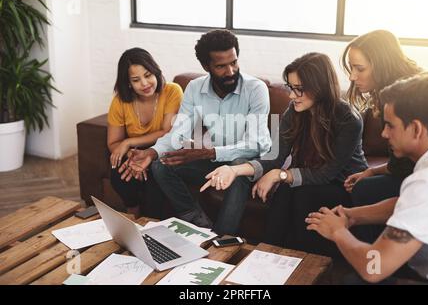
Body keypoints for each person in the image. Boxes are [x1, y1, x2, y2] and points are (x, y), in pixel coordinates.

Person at [201, 53, 368, 256]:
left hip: (345, 185)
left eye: (299, 89)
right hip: (310, 180)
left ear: (320, 87)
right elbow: (274, 157)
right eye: (291, 88)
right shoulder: (294, 111)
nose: (291, 95)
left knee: (301, 193)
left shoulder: (349, 119)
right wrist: (233, 170)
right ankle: (267, 254)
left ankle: (304, 261)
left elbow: (327, 173)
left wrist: (280, 175)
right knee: (287, 190)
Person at [119, 30, 271, 235]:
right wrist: (152, 152)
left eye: (233, 62)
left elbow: (257, 145)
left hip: (249, 164)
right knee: (161, 165)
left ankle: (222, 238)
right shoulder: (194, 88)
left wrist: (208, 152)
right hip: (215, 160)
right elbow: (178, 133)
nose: (231, 71)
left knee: (237, 165)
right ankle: (198, 223)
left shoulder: (256, 89)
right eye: (221, 66)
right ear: (206, 66)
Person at [306, 73, 428, 284]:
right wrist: (353, 215)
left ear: (417, 129)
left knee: (354, 282)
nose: (383, 133)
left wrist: (338, 231)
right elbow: (406, 205)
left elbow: (373, 267)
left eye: (390, 125)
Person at [341, 30, 423, 242]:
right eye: (351, 68)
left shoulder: (407, 98)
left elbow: (414, 169)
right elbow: (402, 164)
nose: (352, 76)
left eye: (360, 68)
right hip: (413, 174)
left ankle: (374, 261)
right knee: (363, 184)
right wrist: (371, 171)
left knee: (365, 191)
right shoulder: (392, 90)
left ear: (382, 64)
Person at [107, 47, 183, 218]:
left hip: (165, 146)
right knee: (119, 172)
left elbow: (167, 131)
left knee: (155, 173)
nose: (144, 84)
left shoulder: (172, 91)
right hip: (133, 151)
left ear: (155, 72)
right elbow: (113, 142)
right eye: (136, 80)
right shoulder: (120, 101)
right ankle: (132, 212)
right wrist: (131, 157)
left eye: (148, 75)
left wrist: (128, 142)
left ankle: (153, 221)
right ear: (128, 83)